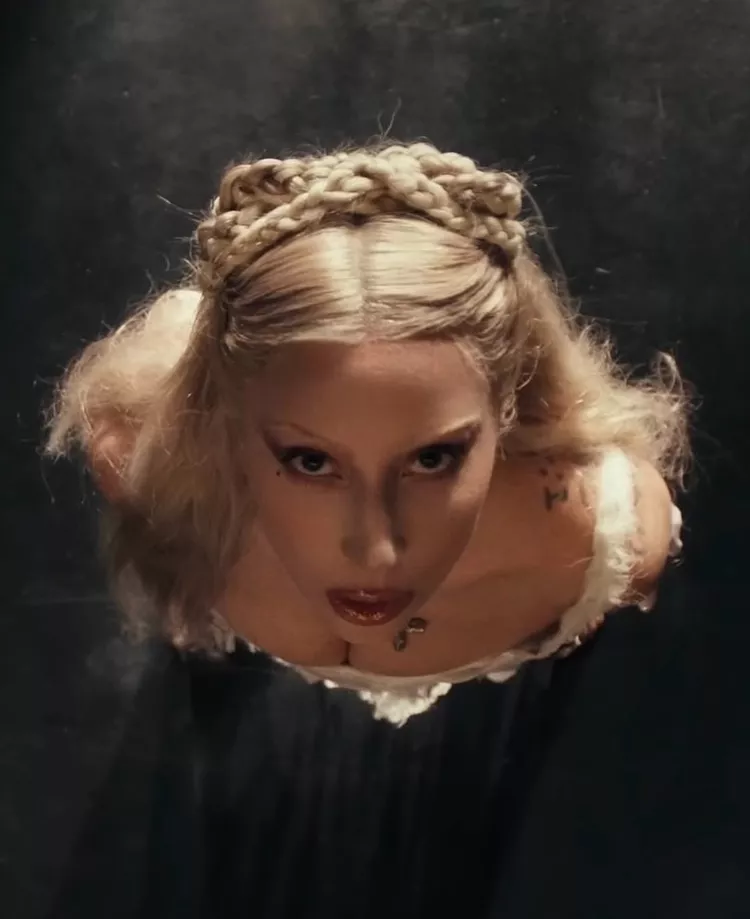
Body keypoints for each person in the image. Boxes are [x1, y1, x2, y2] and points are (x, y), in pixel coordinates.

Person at [43, 142, 690, 726]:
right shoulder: (144, 463)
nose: (377, 552)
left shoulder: (607, 537)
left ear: (508, 406)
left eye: (433, 458)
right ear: (227, 414)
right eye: (310, 461)